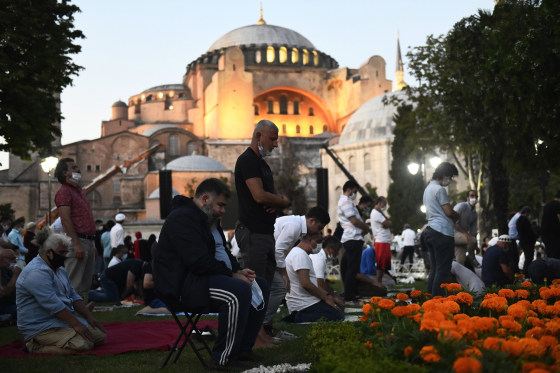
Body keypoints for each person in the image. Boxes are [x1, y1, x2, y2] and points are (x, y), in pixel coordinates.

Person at [154, 178, 269, 369]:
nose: (223, 210)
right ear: (205, 199)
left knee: (261, 286)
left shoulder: (209, 221)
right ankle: (223, 358)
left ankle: (242, 349)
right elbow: (197, 261)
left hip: (203, 279)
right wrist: (233, 276)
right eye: (221, 205)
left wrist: (239, 270)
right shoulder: (182, 219)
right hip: (184, 286)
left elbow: (222, 252)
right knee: (237, 291)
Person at [16, 229, 106, 354]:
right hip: (41, 326)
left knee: (99, 337)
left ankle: (63, 339)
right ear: (49, 253)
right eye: (62, 252)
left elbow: (72, 295)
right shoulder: (36, 272)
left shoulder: (59, 269)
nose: (65, 256)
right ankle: (35, 346)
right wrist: (77, 324)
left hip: (59, 321)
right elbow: (53, 304)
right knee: (84, 344)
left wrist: (89, 317)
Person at [234, 120, 291, 284]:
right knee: (256, 283)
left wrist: (276, 200)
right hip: (253, 231)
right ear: (259, 136)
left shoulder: (263, 165)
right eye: (272, 139)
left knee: (270, 284)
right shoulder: (247, 160)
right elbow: (260, 196)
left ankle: (263, 311)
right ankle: (252, 311)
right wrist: (282, 201)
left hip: (266, 232)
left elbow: (272, 194)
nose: (276, 144)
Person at [263, 207, 330, 337]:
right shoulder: (294, 226)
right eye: (319, 227)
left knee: (275, 289)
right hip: (263, 254)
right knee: (278, 288)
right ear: (312, 221)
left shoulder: (298, 227)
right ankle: (264, 326)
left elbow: (283, 251)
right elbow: (278, 251)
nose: (319, 231)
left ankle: (266, 326)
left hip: (268, 255)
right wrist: (284, 273)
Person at [54, 158, 97, 298]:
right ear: (64, 172)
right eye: (74, 168)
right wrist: (77, 244)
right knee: (73, 283)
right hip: (78, 240)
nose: (78, 170)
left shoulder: (78, 191)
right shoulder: (64, 192)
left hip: (87, 241)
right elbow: (66, 219)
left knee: (84, 284)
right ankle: (70, 316)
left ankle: (81, 316)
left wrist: (91, 244)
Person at [285, 233, 344, 322]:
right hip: (303, 304)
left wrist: (328, 296)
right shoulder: (299, 254)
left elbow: (314, 283)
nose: (318, 245)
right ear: (309, 239)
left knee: (338, 308)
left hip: (308, 300)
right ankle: (297, 317)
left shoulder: (301, 253)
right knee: (336, 314)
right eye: (318, 242)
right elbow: (306, 284)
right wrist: (326, 298)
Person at [423, 162, 460, 296]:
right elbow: (449, 212)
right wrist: (458, 215)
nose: (450, 180)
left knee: (434, 269)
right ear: (444, 175)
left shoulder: (428, 188)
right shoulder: (439, 189)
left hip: (431, 230)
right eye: (450, 177)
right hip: (442, 232)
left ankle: (429, 299)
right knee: (443, 270)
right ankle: (437, 301)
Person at [338, 180, 370, 304]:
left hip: (353, 237)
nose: (355, 194)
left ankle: (349, 293)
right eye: (355, 192)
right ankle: (349, 296)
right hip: (352, 238)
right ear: (349, 190)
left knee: (350, 268)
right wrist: (366, 227)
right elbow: (354, 221)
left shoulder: (348, 202)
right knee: (352, 269)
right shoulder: (345, 201)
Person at [454, 190, 479, 267]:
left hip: (460, 235)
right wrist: (465, 233)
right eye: (472, 196)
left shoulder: (474, 214)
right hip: (452, 233)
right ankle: (472, 258)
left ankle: (458, 278)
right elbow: (453, 221)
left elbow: (473, 231)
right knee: (472, 240)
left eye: (476, 196)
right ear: (467, 198)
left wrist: (476, 246)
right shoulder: (461, 206)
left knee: (460, 260)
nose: (474, 198)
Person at [370, 196, 392, 287]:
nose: (385, 206)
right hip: (381, 241)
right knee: (380, 264)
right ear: (379, 203)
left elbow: (387, 223)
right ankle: (378, 284)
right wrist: (387, 222)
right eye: (384, 204)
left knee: (384, 264)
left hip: (384, 240)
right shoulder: (376, 213)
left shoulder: (379, 213)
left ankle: (380, 283)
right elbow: (387, 223)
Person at [0, 249, 21, 319]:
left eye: (16, 259)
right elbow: (2, 293)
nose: (15, 261)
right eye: (12, 259)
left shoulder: (7, 269)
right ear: (2, 259)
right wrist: (15, 276)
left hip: (13, 303)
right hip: (4, 307)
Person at [517, 206, 537, 275]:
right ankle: (526, 274)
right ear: (527, 213)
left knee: (528, 258)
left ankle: (526, 273)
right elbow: (529, 232)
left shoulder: (519, 220)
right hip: (528, 243)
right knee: (529, 258)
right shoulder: (524, 220)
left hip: (524, 242)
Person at [541, 191, 560, 259]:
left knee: (550, 254)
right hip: (554, 235)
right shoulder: (557, 205)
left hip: (545, 234)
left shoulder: (548, 205)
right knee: (556, 255)